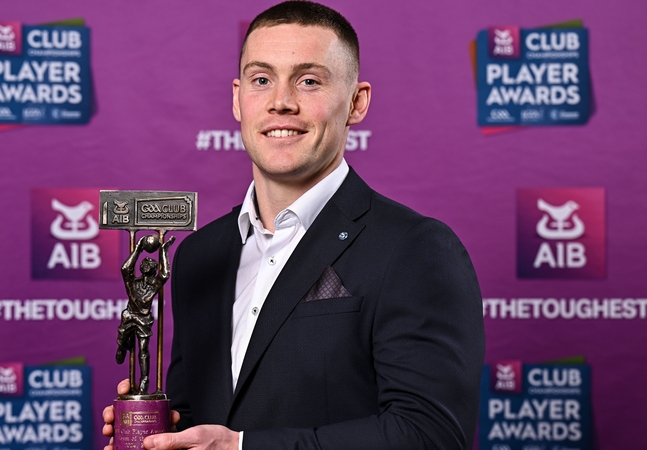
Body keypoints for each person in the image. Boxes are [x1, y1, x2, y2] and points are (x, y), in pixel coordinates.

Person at [104, 1, 485, 449]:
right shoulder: (199, 255)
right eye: (261, 80)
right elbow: (204, 418)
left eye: (308, 81)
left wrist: (241, 448)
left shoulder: (414, 249)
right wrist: (161, 435)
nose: (281, 102)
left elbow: (430, 436)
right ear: (236, 98)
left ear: (356, 103)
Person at [115, 233, 175, 394]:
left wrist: (163, 250)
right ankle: (122, 346)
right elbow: (125, 268)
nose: (147, 263)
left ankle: (145, 378)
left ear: (154, 269)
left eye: (151, 262)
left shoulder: (155, 284)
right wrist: (138, 248)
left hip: (144, 320)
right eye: (145, 261)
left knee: (143, 349)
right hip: (129, 316)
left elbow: (165, 274)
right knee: (123, 338)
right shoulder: (132, 282)